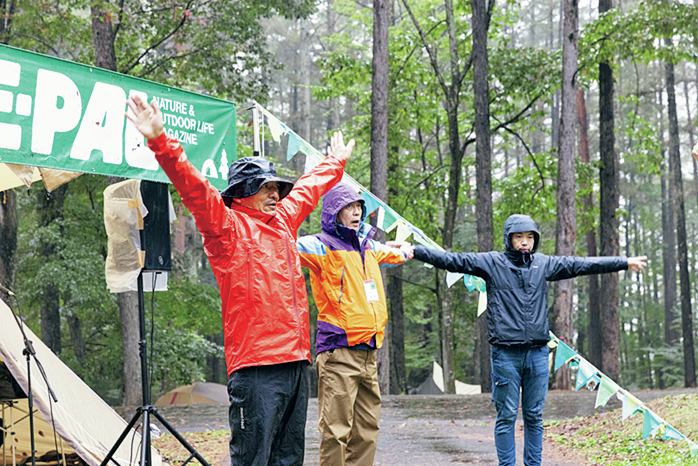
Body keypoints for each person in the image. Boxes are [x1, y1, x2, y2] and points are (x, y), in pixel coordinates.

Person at [125, 96, 355, 466]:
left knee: (289, 459)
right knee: (253, 460)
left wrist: (336, 162)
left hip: (297, 365)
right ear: (244, 194)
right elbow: (194, 186)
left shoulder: (282, 221)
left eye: (277, 188)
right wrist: (159, 139)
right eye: (266, 188)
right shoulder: (226, 227)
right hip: (257, 369)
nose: (276, 194)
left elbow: (309, 188)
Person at [410, 214, 647, 466]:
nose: (525, 242)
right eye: (519, 237)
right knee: (507, 416)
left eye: (530, 237)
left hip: (538, 354)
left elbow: (581, 264)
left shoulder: (542, 264)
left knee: (534, 416)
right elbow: (452, 260)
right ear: (509, 239)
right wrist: (413, 250)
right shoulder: (492, 263)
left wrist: (623, 263)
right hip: (505, 355)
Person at [296, 182, 414, 466]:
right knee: (336, 431)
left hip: (370, 353)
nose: (356, 212)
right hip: (339, 351)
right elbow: (284, 247)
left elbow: (396, 255)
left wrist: (406, 249)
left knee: (367, 431)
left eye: (359, 206)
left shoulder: (369, 247)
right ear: (334, 213)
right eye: (349, 207)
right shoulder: (319, 245)